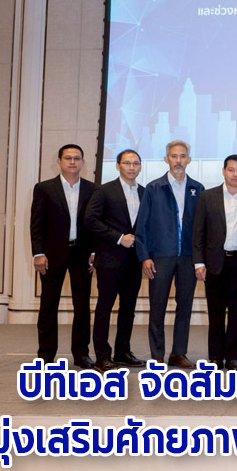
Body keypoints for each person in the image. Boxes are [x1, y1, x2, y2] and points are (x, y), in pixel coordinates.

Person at [135, 140, 205, 367]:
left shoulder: (198, 189)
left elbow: (202, 227)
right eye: (174, 156)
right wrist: (145, 256)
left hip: (188, 258)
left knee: (184, 307)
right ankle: (157, 355)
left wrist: (200, 259)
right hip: (160, 256)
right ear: (166, 159)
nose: (178, 161)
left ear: (189, 160)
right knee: (157, 307)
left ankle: (178, 353)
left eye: (182, 156)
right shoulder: (154, 188)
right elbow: (142, 225)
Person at [192, 154, 237, 370]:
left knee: (236, 312)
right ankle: (215, 356)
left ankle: (232, 357)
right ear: (224, 171)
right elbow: (198, 232)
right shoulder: (207, 196)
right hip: (214, 262)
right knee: (215, 312)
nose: (235, 174)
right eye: (231, 170)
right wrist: (198, 263)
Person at [29, 144, 97, 368]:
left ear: (83, 162)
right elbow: (36, 223)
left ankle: (81, 354)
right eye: (68, 158)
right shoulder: (44, 188)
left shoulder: (92, 189)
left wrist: (94, 252)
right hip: (51, 255)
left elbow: (95, 224)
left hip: (82, 255)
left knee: (82, 306)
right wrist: (38, 253)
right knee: (49, 305)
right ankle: (46, 355)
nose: (72, 162)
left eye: (77, 158)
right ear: (59, 161)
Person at [84, 149, 146, 372]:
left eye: (136, 163)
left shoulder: (145, 192)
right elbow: (90, 219)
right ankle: (102, 356)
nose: (132, 167)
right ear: (118, 165)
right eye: (127, 163)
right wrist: (119, 238)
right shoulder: (104, 190)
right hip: (109, 260)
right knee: (105, 308)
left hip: (134, 261)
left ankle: (123, 352)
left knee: (128, 309)